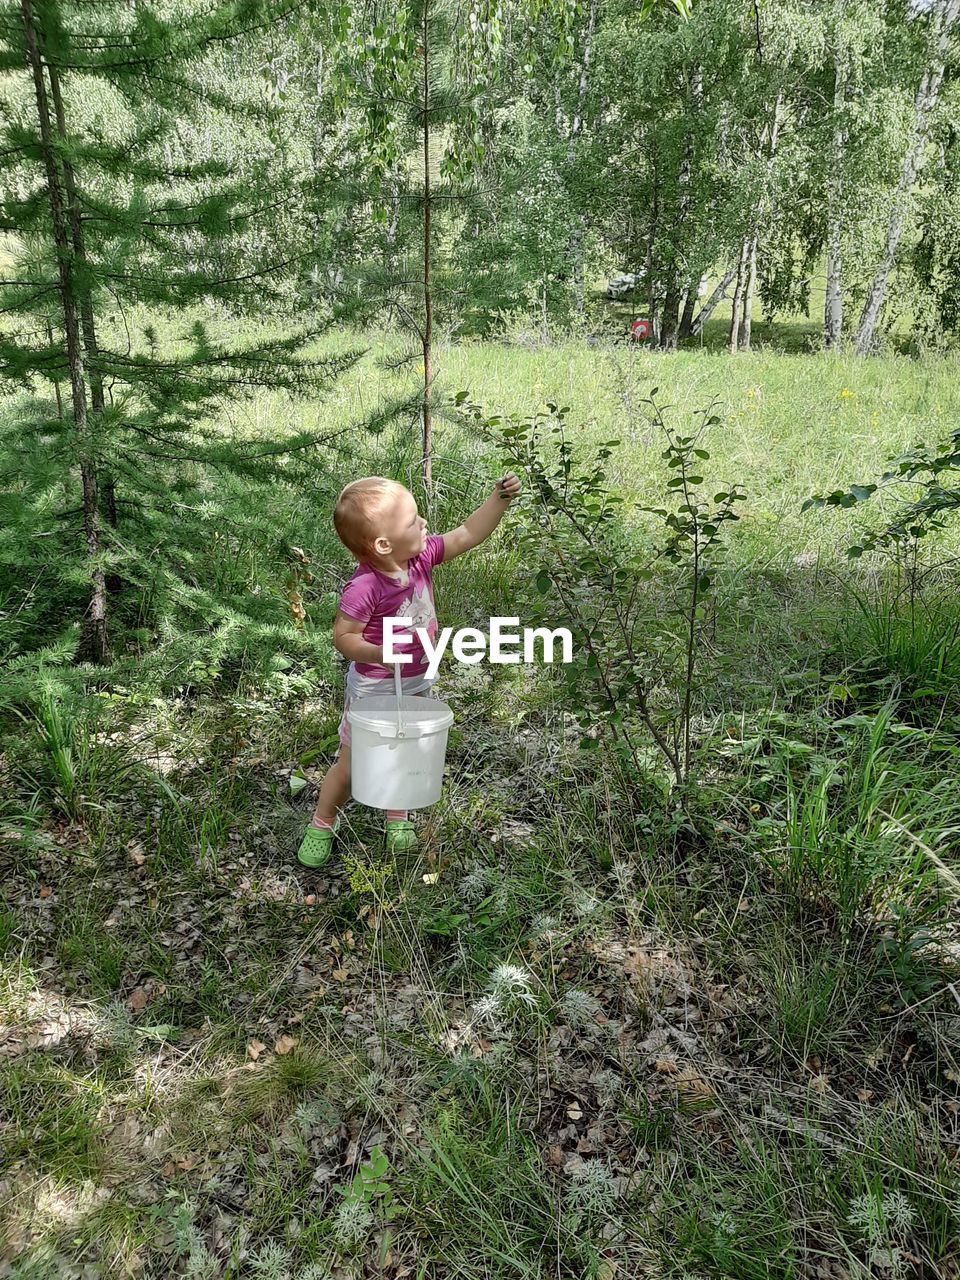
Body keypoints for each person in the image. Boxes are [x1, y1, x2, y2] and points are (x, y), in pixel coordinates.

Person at [297, 470, 522, 867]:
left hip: (418, 681)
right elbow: (344, 636)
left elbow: (467, 533)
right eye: (413, 520)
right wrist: (379, 653)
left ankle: (396, 816)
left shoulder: (420, 558)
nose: (424, 525)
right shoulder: (365, 587)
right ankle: (322, 821)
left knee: (404, 753)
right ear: (383, 544)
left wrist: (498, 500)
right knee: (351, 767)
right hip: (375, 690)